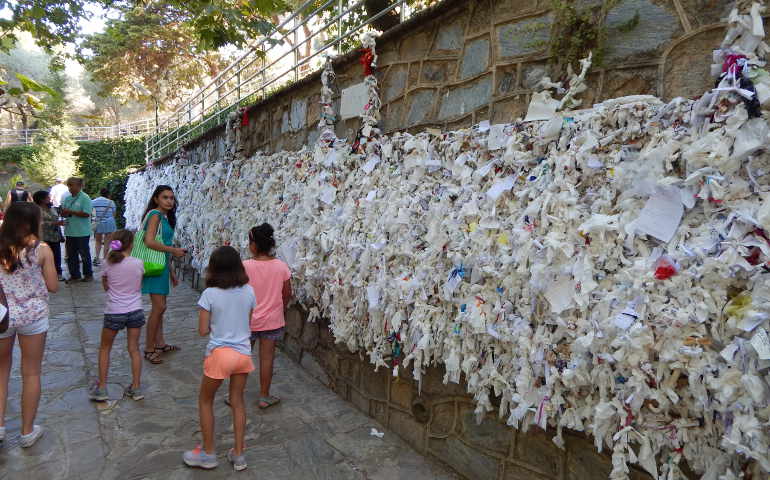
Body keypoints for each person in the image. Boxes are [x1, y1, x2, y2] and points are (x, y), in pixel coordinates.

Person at [183, 246, 255, 471]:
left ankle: (208, 453)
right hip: (243, 354)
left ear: (213, 268)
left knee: (205, 400)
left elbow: (203, 330)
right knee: (238, 402)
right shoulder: (249, 291)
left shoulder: (210, 294)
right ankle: (239, 455)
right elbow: (247, 322)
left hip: (220, 354)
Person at [0, 203, 58, 448]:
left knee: (1, 373)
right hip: (33, 317)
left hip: (2, 317)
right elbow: (53, 286)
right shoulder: (42, 249)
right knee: (31, 372)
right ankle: (26, 432)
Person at [89, 230, 145, 402]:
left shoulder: (108, 263)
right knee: (134, 349)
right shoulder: (138, 263)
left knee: (105, 348)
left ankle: (102, 388)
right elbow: (137, 286)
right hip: (135, 310)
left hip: (114, 311)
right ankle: (136, 388)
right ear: (131, 244)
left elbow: (106, 288)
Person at [243, 223, 292, 409]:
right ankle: (264, 396)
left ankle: (235, 395)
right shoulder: (281, 267)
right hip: (272, 321)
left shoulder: (244, 266)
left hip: (247, 321)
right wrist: (282, 308)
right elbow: (287, 292)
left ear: (253, 245)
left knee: (242, 357)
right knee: (267, 358)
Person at [141, 186, 186, 364]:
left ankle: (159, 344)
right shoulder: (155, 215)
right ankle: (149, 348)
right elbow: (149, 241)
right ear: (156, 199)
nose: (169, 201)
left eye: (172, 198)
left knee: (161, 307)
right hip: (154, 266)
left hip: (160, 266)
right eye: (165, 197)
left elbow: (160, 243)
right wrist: (173, 250)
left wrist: (171, 272)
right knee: (158, 308)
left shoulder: (163, 217)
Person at [61, 177, 93, 283]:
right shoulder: (67, 198)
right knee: (71, 255)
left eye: (71, 185)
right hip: (70, 231)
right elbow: (64, 212)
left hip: (82, 231)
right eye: (68, 185)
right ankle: (75, 276)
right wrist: (63, 213)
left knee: (84, 255)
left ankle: (88, 275)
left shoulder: (85, 198)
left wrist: (71, 211)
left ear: (79, 186)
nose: (69, 188)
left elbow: (87, 213)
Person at [32, 191, 64, 280]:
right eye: (48, 197)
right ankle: (44, 275)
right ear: (41, 199)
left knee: (57, 256)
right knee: (44, 257)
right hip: (43, 237)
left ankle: (58, 273)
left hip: (54, 236)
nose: (50, 198)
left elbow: (57, 221)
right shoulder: (36, 209)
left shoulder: (52, 208)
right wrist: (54, 223)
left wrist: (61, 235)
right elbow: (38, 223)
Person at [92, 188, 117, 266]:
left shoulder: (93, 201)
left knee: (98, 241)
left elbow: (91, 213)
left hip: (98, 222)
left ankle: (97, 258)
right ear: (108, 194)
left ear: (100, 193)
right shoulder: (111, 202)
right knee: (107, 242)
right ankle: (105, 259)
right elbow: (114, 214)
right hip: (109, 223)